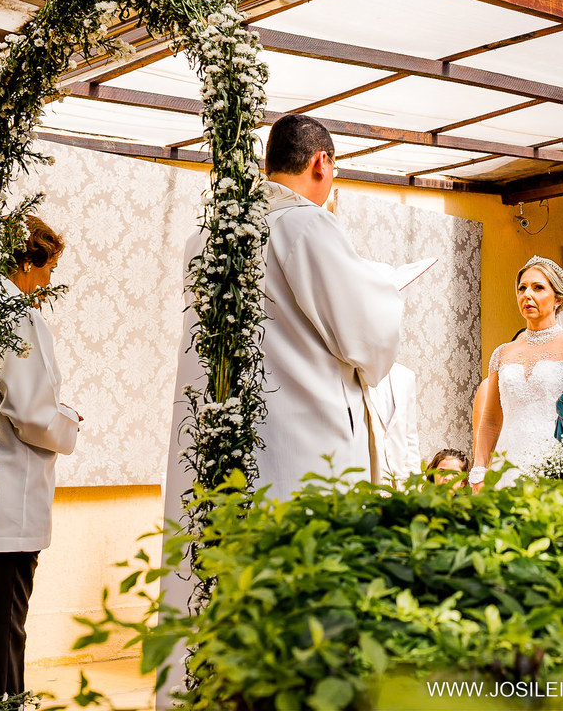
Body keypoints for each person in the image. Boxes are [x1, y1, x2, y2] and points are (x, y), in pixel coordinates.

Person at [160, 115, 403, 707]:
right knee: (299, 607)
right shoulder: (306, 227)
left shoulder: (211, 238)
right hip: (302, 449)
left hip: (222, 449)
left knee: (220, 589)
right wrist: (384, 288)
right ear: (321, 163)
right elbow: (367, 341)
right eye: (334, 169)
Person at [0, 216, 81, 700]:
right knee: (4, 641)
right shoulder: (14, 313)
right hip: (8, 509)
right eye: (48, 269)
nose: (47, 283)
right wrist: (71, 422)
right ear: (25, 261)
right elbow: (32, 413)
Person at [472, 257, 563, 487]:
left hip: (557, 466)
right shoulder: (501, 353)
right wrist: (479, 469)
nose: (526, 295)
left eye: (538, 287)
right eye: (522, 288)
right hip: (507, 464)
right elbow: (491, 420)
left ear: (558, 299)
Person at [368, 363, 420, 487]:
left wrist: (414, 482)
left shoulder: (406, 376)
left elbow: (410, 435)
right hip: (370, 481)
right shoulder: (355, 372)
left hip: (401, 482)